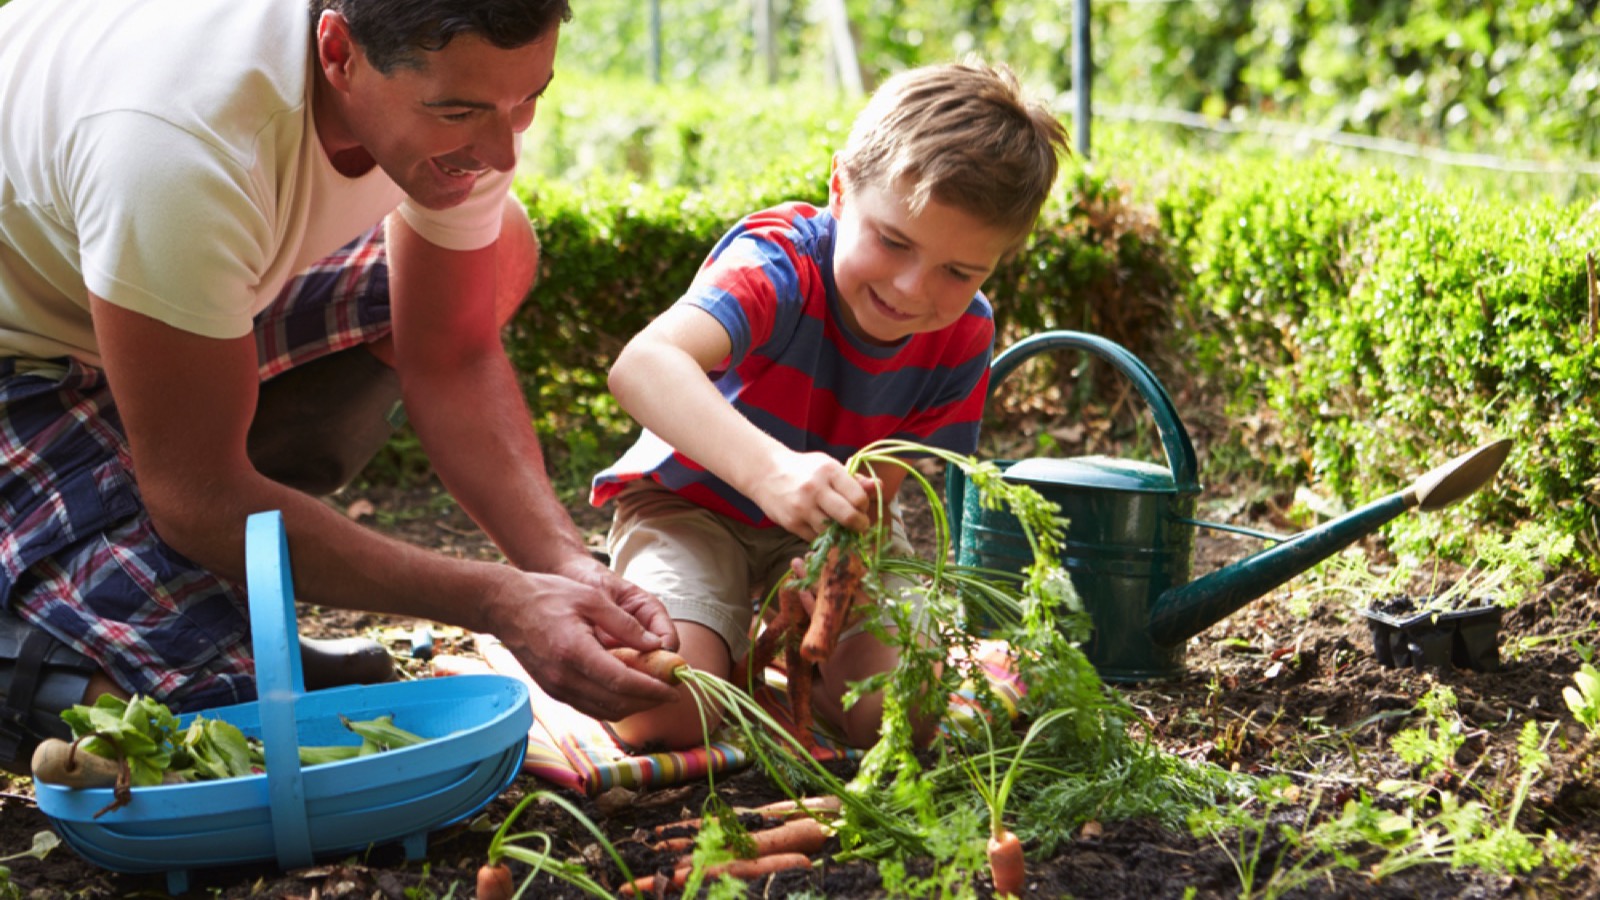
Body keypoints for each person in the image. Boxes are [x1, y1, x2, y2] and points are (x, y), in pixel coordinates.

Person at [0, 0, 679, 774]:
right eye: (458, 111)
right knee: (209, 727)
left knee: (500, 251)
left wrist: (564, 568)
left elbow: (450, 354)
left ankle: (166, 557)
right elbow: (196, 493)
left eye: (528, 99)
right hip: (24, 351)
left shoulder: (462, 107)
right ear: (337, 52)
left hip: (143, 288)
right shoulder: (181, 144)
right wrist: (497, 601)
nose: (500, 147)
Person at [590, 60, 1070, 751]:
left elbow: (882, 491)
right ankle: (702, 638)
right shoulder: (778, 265)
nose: (911, 288)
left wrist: (833, 564)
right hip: (692, 504)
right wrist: (769, 474)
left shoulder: (965, 336)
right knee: (661, 712)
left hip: (831, 532)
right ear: (840, 188)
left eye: (959, 272)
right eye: (893, 241)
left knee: (898, 718)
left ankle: (763, 651)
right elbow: (642, 366)